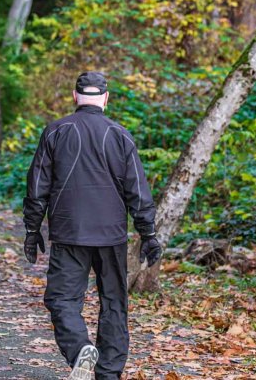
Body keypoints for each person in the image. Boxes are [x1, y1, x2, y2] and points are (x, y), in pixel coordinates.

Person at [23, 71, 163, 380]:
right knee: (113, 301)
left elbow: (37, 186)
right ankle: (108, 373)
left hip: (69, 232)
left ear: (74, 97)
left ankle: (79, 351)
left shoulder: (54, 131)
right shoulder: (120, 134)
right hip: (111, 234)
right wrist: (148, 233)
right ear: (106, 98)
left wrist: (32, 229)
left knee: (61, 299)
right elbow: (137, 189)